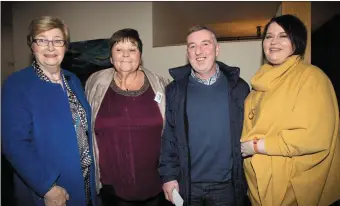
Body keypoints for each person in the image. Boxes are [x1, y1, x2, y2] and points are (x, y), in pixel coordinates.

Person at [240, 14, 340, 206]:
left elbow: (315, 137)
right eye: (269, 36)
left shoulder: (311, 77)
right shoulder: (257, 86)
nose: (274, 42)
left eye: (283, 36)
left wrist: (257, 146)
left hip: (295, 192)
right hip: (260, 189)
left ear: (297, 42)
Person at [1, 16, 97, 206]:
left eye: (57, 40)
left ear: (65, 46)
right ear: (32, 45)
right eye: (42, 40)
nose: (50, 47)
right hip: (50, 189)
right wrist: (47, 187)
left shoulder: (73, 80)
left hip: (85, 180)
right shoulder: (17, 84)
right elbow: (15, 144)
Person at [159, 25, 250, 206]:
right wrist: (168, 176)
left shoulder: (239, 88)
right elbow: (169, 138)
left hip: (227, 187)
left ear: (217, 49)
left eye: (205, 44)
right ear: (187, 52)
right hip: (187, 186)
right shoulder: (174, 90)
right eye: (192, 46)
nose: (198, 51)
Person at [85, 28, 171, 206]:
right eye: (119, 49)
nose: (125, 55)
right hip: (110, 187)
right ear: (110, 57)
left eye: (132, 49)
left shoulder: (161, 84)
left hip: (155, 185)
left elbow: (172, 133)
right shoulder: (95, 83)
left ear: (140, 56)